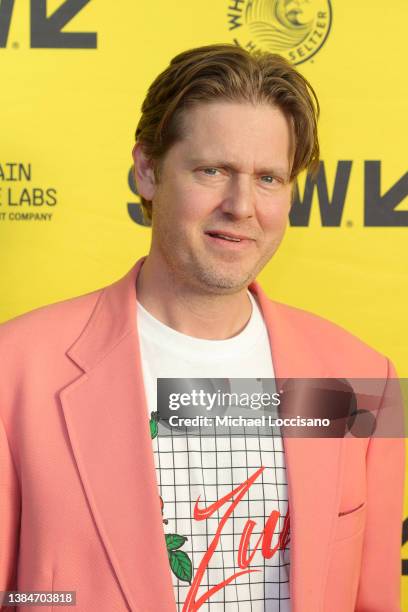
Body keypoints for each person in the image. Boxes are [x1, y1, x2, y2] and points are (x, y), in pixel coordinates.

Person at [0, 44, 404, 612]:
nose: (241, 206)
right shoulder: (15, 371)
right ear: (147, 170)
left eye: (268, 178)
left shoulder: (365, 379)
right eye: (212, 170)